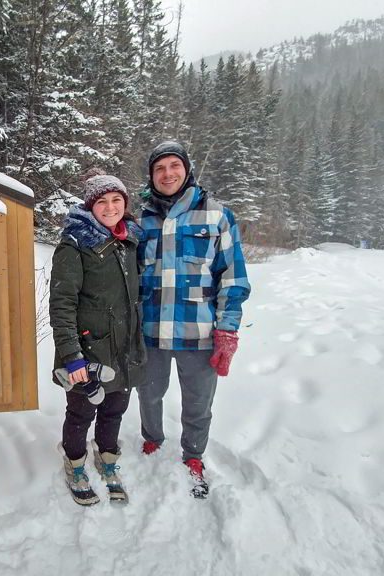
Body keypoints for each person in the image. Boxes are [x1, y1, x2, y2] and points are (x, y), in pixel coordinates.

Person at [136, 141, 251, 499]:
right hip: (149, 331)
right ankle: (152, 440)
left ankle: (194, 455)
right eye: (159, 169)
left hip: (198, 332)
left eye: (174, 166)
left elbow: (232, 276)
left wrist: (227, 330)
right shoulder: (138, 219)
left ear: (187, 170)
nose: (167, 174)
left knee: (198, 403)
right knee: (149, 395)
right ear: (151, 176)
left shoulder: (217, 215)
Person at [49, 170, 145, 506]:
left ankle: (107, 458)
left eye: (116, 199)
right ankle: (75, 463)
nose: (110, 207)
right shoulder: (74, 244)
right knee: (81, 412)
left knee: (114, 409)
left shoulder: (130, 241)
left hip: (123, 347)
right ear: (90, 207)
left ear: (125, 203)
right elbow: (62, 304)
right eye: (101, 201)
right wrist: (72, 356)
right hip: (87, 351)